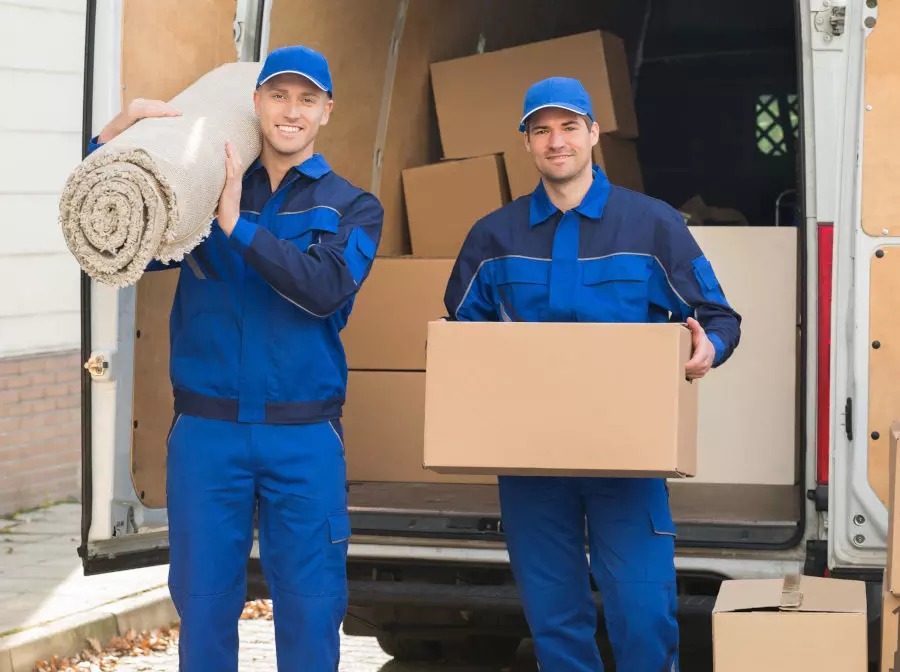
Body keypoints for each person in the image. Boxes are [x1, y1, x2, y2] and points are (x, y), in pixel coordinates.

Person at [90, 46, 383, 671]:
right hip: (207, 434)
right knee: (203, 606)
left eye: (308, 99)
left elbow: (325, 287)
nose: (292, 111)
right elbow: (118, 234)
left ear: (327, 111)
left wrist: (238, 228)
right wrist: (107, 142)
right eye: (279, 95)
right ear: (256, 105)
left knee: (311, 608)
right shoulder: (201, 188)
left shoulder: (353, 207)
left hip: (303, 437)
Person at [443, 77, 741, 671]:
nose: (557, 142)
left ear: (594, 134)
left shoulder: (653, 226)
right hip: (532, 459)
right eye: (541, 129)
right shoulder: (493, 236)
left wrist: (710, 349)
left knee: (643, 612)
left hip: (627, 455)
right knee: (554, 619)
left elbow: (716, 316)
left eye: (569, 126)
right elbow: (460, 336)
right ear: (526, 142)